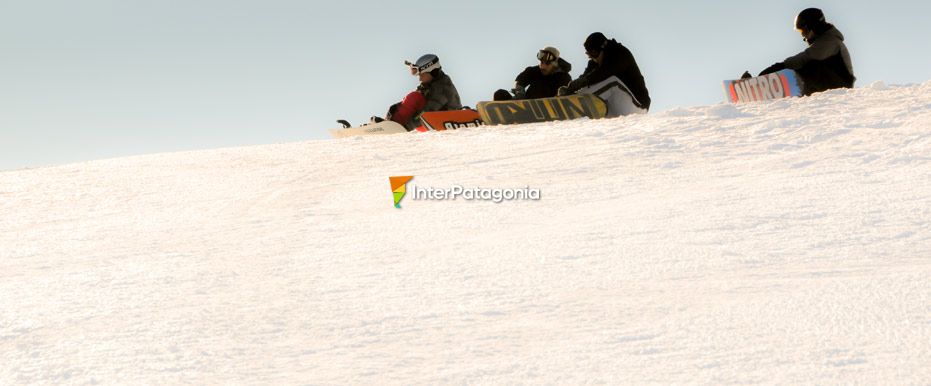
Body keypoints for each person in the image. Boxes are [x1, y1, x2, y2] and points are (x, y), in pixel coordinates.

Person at [758, 8, 855, 95]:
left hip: (842, 88)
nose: (803, 35)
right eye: (800, 31)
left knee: (811, 66)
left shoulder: (830, 41)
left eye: (803, 31)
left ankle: (784, 87)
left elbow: (804, 58)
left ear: (814, 27)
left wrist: (779, 67)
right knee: (807, 67)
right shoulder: (825, 40)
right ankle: (785, 88)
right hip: (834, 84)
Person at [558, 32, 651, 117]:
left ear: (603, 47)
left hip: (638, 106)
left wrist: (583, 83)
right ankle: (572, 104)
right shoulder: (595, 62)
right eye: (589, 54)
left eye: (593, 53)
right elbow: (585, 77)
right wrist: (571, 88)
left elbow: (604, 72)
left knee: (612, 81)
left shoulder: (620, 53)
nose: (593, 58)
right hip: (616, 110)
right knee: (596, 106)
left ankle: (574, 103)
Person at [381, 54, 462, 130]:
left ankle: (395, 127)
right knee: (414, 97)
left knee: (415, 97)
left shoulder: (442, 87)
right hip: (430, 121)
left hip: (447, 119)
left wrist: (406, 128)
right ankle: (391, 124)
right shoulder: (427, 85)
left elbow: (428, 111)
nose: (420, 79)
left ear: (433, 72)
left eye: (421, 75)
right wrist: (393, 111)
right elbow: (408, 105)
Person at [494, 46, 572, 101]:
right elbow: (521, 79)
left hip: (550, 106)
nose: (543, 66)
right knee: (500, 94)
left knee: (539, 86)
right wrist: (519, 91)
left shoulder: (564, 77)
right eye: (541, 62)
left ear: (555, 64)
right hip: (527, 103)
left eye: (547, 64)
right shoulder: (535, 71)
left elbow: (566, 95)